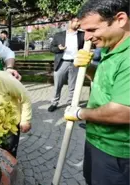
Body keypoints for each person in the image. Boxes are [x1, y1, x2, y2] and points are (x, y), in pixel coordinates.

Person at [64, 0, 130, 184]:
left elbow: (124, 112)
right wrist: (89, 68)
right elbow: (107, 85)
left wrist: (79, 113)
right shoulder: (112, 48)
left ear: (121, 19)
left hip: (116, 152)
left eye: (92, 30)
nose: (86, 38)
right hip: (97, 141)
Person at [48, 17, 85, 112]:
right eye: (77, 22)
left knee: (73, 85)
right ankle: (54, 103)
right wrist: (59, 49)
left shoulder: (82, 35)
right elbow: (51, 48)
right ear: (70, 22)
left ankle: (71, 104)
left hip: (75, 63)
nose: (78, 24)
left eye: (79, 23)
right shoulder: (59, 35)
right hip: (62, 62)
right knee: (57, 84)